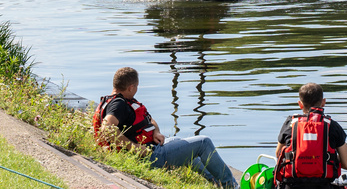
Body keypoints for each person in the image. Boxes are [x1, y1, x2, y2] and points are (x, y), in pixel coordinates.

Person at [93, 67, 239, 189]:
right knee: (203, 142)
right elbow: (107, 128)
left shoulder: (124, 100)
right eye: (136, 87)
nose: (137, 89)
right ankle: (231, 186)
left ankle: (217, 183)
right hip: (151, 156)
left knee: (183, 144)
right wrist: (135, 148)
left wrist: (156, 131)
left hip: (154, 147)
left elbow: (150, 119)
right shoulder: (118, 104)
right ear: (131, 87)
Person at [274, 82, 347, 188]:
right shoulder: (332, 126)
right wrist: (329, 158)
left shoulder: (290, 124)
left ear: (300, 104)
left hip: (291, 186)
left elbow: (279, 154)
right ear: (323, 102)